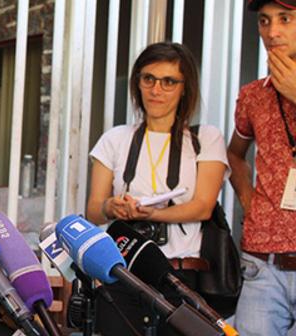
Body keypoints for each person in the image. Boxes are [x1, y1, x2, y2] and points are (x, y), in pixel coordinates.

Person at [86, 42, 229, 335]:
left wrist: (149, 214)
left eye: (168, 82)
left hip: (180, 278)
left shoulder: (205, 138)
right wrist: (112, 207)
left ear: (184, 87)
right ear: (137, 82)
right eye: (148, 79)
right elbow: (93, 211)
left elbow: (203, 206)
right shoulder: (115, 138)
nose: (156, 90)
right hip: (123, 276)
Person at [228, 0, 296, 335]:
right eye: (265, 21)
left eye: (286, 19)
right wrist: (250, 201)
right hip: (262, 265)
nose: (272, 32)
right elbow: (235, 154)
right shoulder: (254, 95)